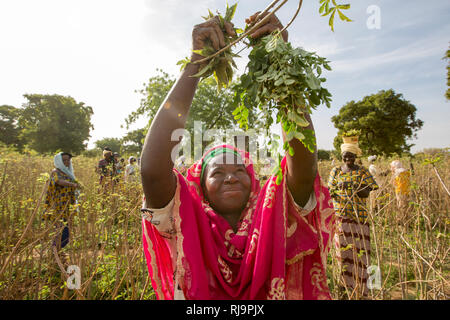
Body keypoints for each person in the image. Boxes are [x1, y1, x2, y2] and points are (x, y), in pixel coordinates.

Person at [139, 12, 335, 300]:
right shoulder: (184, 220)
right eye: (217, 173)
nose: (230, 176)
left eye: (239, 170)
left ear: (253, 180)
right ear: (201, 187)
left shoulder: (274, 213)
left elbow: (303, 168)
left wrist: (278, 61)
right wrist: (195, 64)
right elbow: (152, 173)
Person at [327, 137, 378, 299]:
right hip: (341, 219)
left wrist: (355, 186)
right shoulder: (336, 171)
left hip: (359, 220)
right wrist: (337, 189)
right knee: (342, 254)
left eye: (351, 155)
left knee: (360, 255)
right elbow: (330, 191)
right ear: (341, 155)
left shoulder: (362, 171)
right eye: (345, 155)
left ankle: (361, 289)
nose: (348, 158)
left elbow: (367, 191)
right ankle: (343, 288)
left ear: (356, 156)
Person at [43, 152, 80, 258]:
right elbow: (58, 181)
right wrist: (72, 184)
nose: (67, 162)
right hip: (58, 206)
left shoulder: (67, 172)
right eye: (64, 160)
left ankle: (57, 251)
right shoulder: (55, 172)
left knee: (65, 230)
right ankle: (54, 252)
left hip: (67, 206)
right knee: (61, 230)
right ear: (59, 161)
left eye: (68, 160)